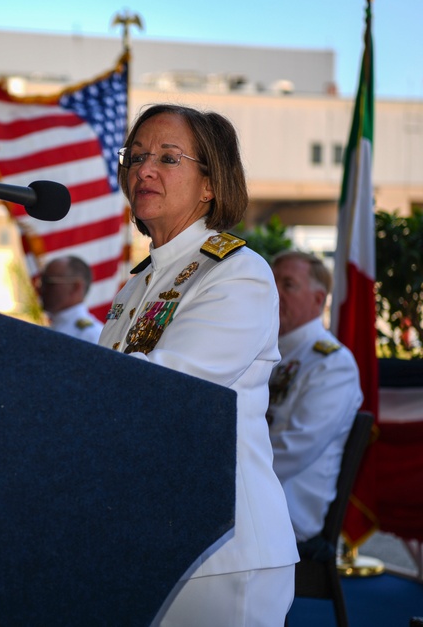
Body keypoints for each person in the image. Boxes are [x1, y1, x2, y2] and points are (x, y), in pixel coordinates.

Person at [98, 104, 297, 625]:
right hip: (151, 538)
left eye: (168, 157)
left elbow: (166, 393)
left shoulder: (238, 274)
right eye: (136, 156)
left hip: (222, 552)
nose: (144, 169)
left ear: (210, 184)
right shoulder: (138, 285)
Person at [267, 249, 363, 559]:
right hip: (253, 494)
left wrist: (223, 477)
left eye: (288, 285)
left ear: (318, 300)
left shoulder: (333, 365)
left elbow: (294, 448)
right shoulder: (266, 352)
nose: (275, 292)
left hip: (287, 510)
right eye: (273, 282)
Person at [37, 255, 104, 343]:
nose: (40, 289)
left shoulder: (91, 335)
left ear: (75, 287)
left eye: (49, 282)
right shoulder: (55, 326)